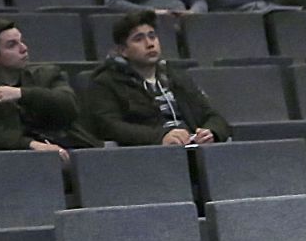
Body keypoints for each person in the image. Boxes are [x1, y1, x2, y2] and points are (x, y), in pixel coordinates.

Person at [79, 11, 229, 147]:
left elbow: (213, 115)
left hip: (192, 148)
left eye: (152, 36)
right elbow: (110, 127)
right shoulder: (105, 82)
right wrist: (160, 137)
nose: (150, 44)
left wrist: (211, 132)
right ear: (123, 50)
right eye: (139, 39)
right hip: (150, 155)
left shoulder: (176, 76)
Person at [0, 18, 94, 156]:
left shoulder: (47, 74)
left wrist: (22, 94)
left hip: (68, 146)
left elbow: (70, 105)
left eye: (21, 41)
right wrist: (30, 144)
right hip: (17, 157)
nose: (24, 48)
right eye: (12, 45)